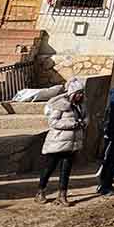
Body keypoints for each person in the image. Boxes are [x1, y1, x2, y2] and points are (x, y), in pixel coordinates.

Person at [36, 78, 87, 206]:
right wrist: (72, 124)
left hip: (72, 144)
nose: (81, 95)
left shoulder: (81, 106)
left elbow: (87, 117)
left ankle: (62, 195)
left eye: (82, 92)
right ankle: (40, 191)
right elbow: (52, 122)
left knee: (66, 170)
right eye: (78, 93)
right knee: (49, 168)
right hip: (57, 142)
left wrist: (84, 123)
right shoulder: (60, 105)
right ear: (72, 93)